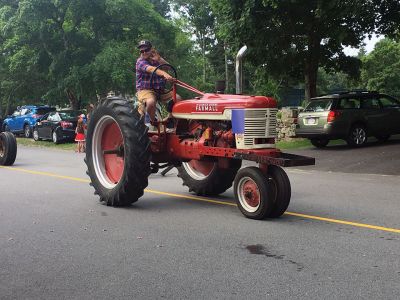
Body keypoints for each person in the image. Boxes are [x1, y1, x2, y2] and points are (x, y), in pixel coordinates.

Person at [135, 40, 180, 124]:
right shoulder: (140, 62)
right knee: (151, 102)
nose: (144, 52)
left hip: (159, 90)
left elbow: (168, 67)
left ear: (151, 49)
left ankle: (170, 118)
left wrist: (159, 59)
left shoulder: (156, 58)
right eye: (142, 51)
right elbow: (152, 69)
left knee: (178, 98)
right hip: (145, 90)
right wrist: (164, 74)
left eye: (146, 50)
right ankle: (154, 121)